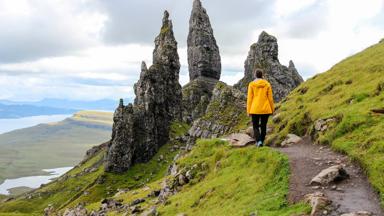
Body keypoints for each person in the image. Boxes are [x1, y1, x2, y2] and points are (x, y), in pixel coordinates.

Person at [247, 68, 275, 147]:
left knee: (255, 126)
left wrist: (248, 111)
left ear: (255, 75)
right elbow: (270, 98)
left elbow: (249, 99)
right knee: (263, 126)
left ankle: (259, 142)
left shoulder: (251, 84)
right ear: (262, 75)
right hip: (265, 109)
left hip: (255, 109)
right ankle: (261, 141)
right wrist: (272, 109)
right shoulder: (267, 84)